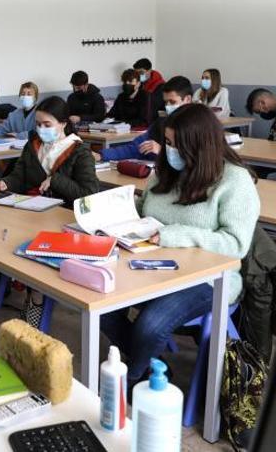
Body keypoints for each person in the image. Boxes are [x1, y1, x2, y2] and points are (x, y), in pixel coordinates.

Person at [101, 103, 260, 382]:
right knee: (99, 303)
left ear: (198, 145)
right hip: (152, 264)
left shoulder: (234, 180)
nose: (168, 150)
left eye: (175, 144)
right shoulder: (165, 171)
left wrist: (176, 234)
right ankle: (151, 364)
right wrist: (113, 216)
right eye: (167, 141)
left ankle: (135, 379)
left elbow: (236, 244)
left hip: (209, 279)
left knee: (150, 325)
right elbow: (144, 211)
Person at [0, 96, 99, 205]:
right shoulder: (33, 144)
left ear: (63, 123)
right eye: (38, 124)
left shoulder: (79, 151)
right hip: (32, 206)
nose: (41, 129)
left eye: (47, 125)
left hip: (62, 211)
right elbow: (20, 176)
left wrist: (54, 181)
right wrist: (6, 183)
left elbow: (88, 193)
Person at [96, 76, 194, 163]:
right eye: (166, 102)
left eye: (172, 102)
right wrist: (101, 155)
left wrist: (161, 151)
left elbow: (196, 160)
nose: (168, 106)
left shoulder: (199, 126)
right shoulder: (161, 123)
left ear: (188, 99)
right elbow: (135, 148)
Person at [133, 57, 166, 123]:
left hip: (155, 122)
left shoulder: (161, 86)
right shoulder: (140, 84)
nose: (139, 75)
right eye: (137, 73)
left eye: (141, 72)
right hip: (141, 121)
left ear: (150, 70)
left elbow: (162, 108)